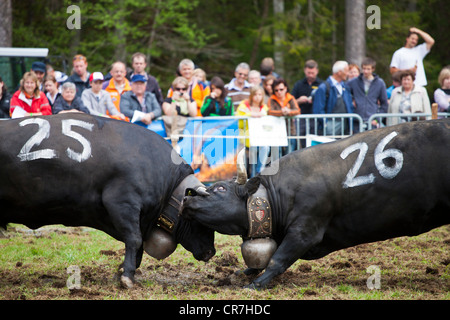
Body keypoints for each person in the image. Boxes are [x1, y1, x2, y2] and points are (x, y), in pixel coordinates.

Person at [312, 61, 354, 135]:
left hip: (345, 125)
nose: (348, 74)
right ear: (339, 72)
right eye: (346, 71)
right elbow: (318, 109)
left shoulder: (345, 87)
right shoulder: (324, 87)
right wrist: (325, 124)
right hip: (331, 126)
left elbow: (349, 106)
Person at [236, 85, 269, 176]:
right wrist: (250, 115)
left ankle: (260, 171)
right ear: (251, 95)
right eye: (255, 94)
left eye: (260, 94)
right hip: (245, 138)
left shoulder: (265, 108)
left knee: (266, 147)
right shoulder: (243, 105)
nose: (258, 97)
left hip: (260, 137)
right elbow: (239, 122)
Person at [347, 58, 388, 129]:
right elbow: (345, 93)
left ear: (373, 69)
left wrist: (377, 119)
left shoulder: (380, 83)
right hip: (357, 120)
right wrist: (352, 100)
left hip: (372, 120)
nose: (365, 71)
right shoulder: (354, 82)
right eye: (364, 68)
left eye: (368, 69)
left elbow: (384, 104)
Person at [291, 59, 322, 145]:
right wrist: (299, 101)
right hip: (301, 118)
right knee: (300, 142)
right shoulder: (299, 84)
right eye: (309, 73)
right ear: (305, 71)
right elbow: (290, 101)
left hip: (315, 118)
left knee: (314, 142)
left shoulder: (321, 84)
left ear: (317, 71)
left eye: (313, 73)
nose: (310, 75)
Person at [268, 78, 300, 152]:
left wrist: (289, 112)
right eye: (276, 90)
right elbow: (270, 111)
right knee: (277, 154)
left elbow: (297, 110)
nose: (279, 92)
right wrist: (281, 112)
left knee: (289, 154)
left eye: (281, 89)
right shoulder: (272, 99)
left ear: (285, 88)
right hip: (276, 132)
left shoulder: (290, 98)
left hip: (290, 131)